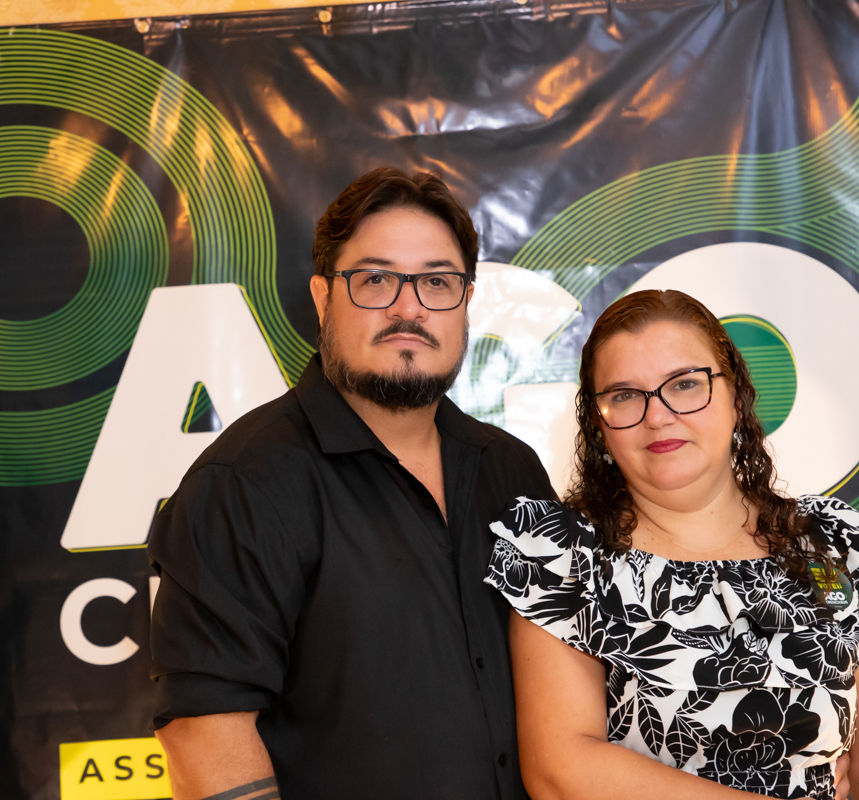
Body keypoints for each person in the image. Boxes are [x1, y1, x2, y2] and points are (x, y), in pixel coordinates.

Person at [148, 167, 555, 800]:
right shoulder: (245, 484)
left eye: (437, 282)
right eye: (375, 279)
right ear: (322, 298)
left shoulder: (512, 471)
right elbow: (204, 733)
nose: (408, 308)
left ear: (465, 302)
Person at [485, 289, 859, 799]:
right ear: (597, 423)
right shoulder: (564, 558)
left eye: (684, 384)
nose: (657, 416)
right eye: (625, 395)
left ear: (736, 396)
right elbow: (562, 771)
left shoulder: (831, 545)